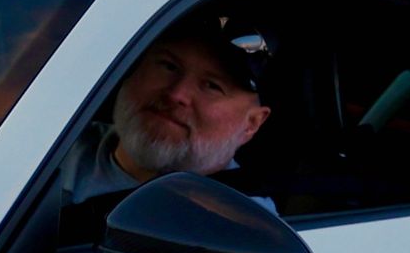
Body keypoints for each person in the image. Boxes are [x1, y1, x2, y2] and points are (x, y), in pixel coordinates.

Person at [53, 13, 274, 235]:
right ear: (130, 70)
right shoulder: (52, 141)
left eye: (212, 86)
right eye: (169, 66)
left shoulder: (244, 225)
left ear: (251, 124)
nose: (177, 94)